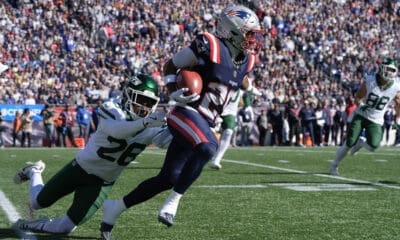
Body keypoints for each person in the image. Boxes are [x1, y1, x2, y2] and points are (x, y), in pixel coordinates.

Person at [99, 5, 264, 239]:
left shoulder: (247, 60)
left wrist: (253, 89)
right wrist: (171, 89)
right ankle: (172, 203)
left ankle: (114, 209)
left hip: (205, 123)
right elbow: (171, 65)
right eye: (249, 33)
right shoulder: (209, 44)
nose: (253, 39)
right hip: (185, 112)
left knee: (169, 178)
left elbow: (239, 77)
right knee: (209, 147)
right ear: (231, 31)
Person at [12, 74, 170, 235]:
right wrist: (144, 123)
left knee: (65, 228)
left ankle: (39, 224)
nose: (144, 107)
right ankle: (34, 171)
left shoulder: (153, 124)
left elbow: (171, 141)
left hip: (103, 183)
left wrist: (183, 113)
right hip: (80, 169)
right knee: (37, 202)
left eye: (149, 103)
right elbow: (117, 131)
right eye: (141, 100)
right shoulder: (112, 108)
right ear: (128, 94)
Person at [330, 57, 400, 175]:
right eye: (387, 69)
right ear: (382, 68)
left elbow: (398, 104)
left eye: (392, 70)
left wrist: (397, 119)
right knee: (349, 142)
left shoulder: (396, 87)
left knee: (374, 146)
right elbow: (358, 97)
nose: (389, 72)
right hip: (361, 115)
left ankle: (361, 142)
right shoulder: (370, 80)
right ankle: (334, 165)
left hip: (376, 119)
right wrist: (361, 105)